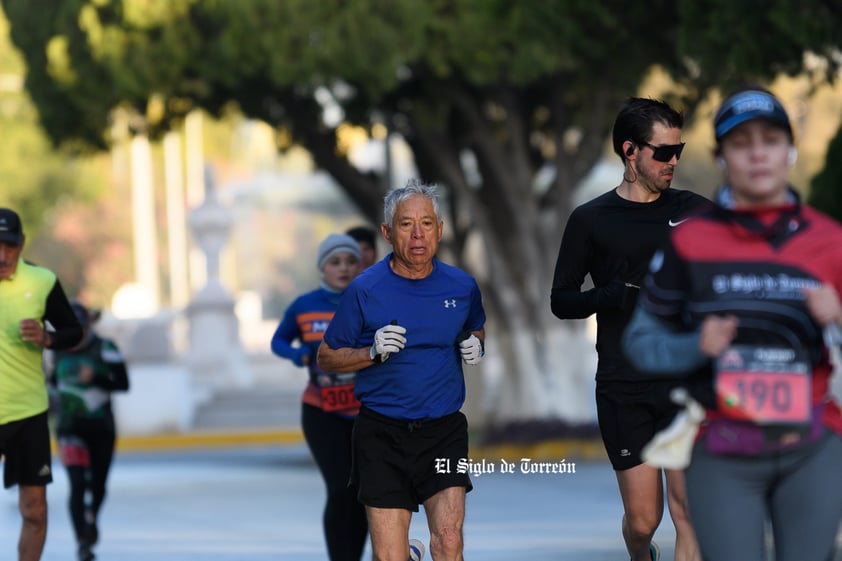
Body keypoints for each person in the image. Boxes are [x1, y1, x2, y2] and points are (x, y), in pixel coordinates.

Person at [622, 87, 842, 561]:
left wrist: (839, 316)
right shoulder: (691, 242)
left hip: (813, 444)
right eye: (742, 144)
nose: (758, 154)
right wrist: (694, 346)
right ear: (722, 158)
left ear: (791, 151)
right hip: (722, 447)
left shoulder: (831, 241)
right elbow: (640, 342)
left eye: (771, 139)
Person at [550, 98, 708, 561]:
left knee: (688, 513)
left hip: (684, 382)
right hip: (624, 384)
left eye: (678, 149)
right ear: (629, 151)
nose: (673, 161)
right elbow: (561, 301)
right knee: (643, 521)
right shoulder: (590, 219)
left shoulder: (695, 211)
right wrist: (609, 295)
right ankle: (641, 554)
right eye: (662, 152)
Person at [318, 180, 486, 561]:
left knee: (448, 541)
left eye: (426, 223)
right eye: (406, 224)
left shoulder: (461, 286)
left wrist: (476, 342)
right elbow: (327, 356)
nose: (417, 234)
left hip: (443, 431)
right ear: (387, 232)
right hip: (382, 434)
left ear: (440, 230)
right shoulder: (365, 289)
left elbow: (475, 324)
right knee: (390, 556)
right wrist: (371, 350)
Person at [270, 233, 368, 561]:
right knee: (340, 487)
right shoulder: (304, 306)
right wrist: (297, 354)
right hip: (321, 411)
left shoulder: (370, 301)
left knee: (361, 491)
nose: (343, 268)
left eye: (351, 261)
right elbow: (278, 341)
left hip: (366, 413)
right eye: (335, 262)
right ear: (321, 268)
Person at [0, 207, 83, 561]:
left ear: (21, 245)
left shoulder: (42, 281)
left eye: (10, 246)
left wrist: (47, 339)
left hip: (28, 412)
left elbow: (73, 331)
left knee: (35, 510)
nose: (3, 256)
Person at [47, 301, 129, 561]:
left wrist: (95, 377)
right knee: (77, 484)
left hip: (101, 428)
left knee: (99, 484)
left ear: (88, 325)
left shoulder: (106, 348)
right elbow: (53, 383)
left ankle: (92, 514)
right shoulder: (56, 351)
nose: (74, 334)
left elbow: (123, 383)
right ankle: (82, 543)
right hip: (69, 427)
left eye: (79, 328)